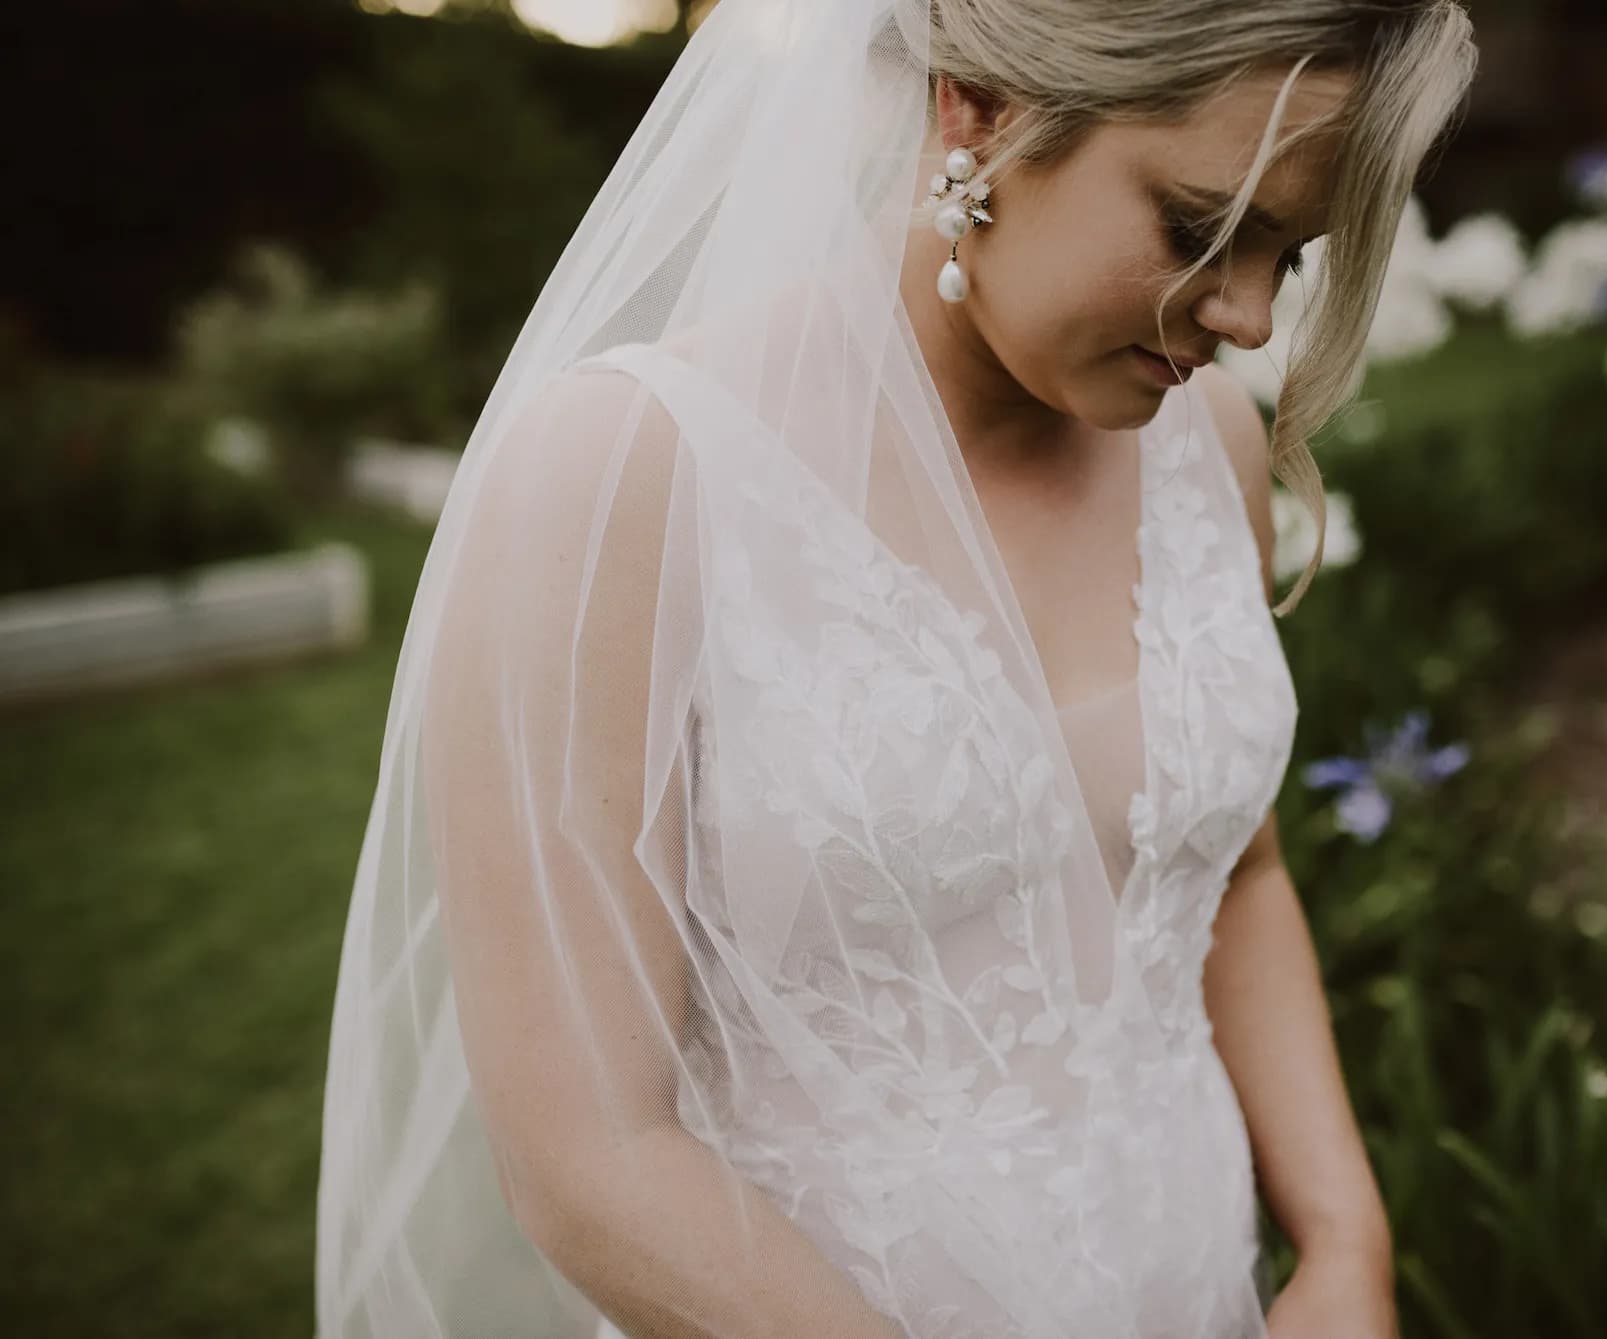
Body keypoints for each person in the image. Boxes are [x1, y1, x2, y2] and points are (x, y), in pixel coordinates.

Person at [313, 1, 1476, 1335]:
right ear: (975, 108)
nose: (1250, 316)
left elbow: (1229, 867)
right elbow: (589, 1157)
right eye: (1198, 228)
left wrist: (1340, 1246)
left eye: (1291, 253)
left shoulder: (1203, 441)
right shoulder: (624, 480)